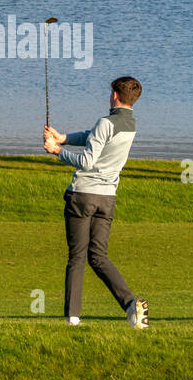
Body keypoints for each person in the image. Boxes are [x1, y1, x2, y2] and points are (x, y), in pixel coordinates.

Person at [43, 76, 147, 328]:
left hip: (82, 196)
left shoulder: (106, 122)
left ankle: (73, 317)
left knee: (77, 256)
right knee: (98, 256)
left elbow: (88, 160)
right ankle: (131, 304)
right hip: (107, 199)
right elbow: (93, 137)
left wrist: (57, 151)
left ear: (114, 95)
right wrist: (63, 137)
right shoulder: (130, 124)